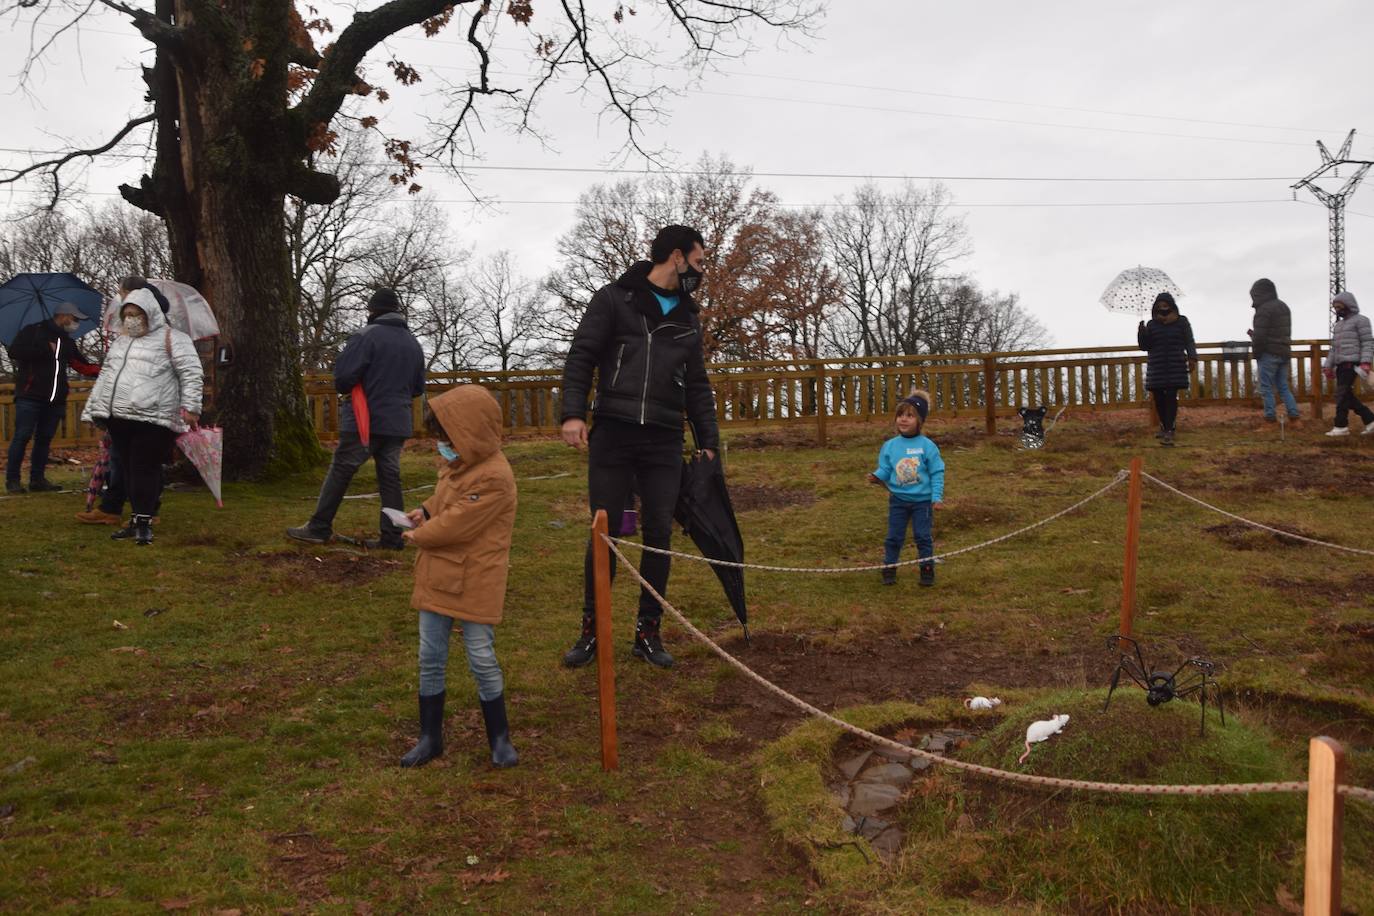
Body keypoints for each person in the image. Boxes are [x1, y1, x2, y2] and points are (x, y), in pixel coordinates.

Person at [559, 224, 720, 670]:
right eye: (699, 261)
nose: (701, 271)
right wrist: (573, 413)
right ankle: (592, 631)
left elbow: (698, 384)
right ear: (676, 257)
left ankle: (648, 634)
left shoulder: (688, 316)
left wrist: (709, 441)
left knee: (659, 537)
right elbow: (581, 356)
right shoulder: (614, 299)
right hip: (613, 432)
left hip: (663, 439)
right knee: (604, 532)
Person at [399, 385, 518, 769]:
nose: (442, 447)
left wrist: (417, 534)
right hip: (439, 574)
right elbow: (446, 503)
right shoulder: (460, 465)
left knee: (481, 657)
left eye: (448, 439)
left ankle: (499, 738)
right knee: (430, 656)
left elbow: (458, 524)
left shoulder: (495, 476)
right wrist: (423, 511)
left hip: (476, 578)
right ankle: (430, 737)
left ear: (469, 434)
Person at [286, 288, 426, 549]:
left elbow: (343, 380)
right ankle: (393, 537)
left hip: (366, 418)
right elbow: (418, 388)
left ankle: (318, 527)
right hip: (398, 422)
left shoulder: (365, 336)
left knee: (341, 470)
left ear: (372, 311)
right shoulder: (413, 343)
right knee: (390, 477)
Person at [80, 289, 203, 545]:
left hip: (154, 418)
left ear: (150, 314)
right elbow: (107, 377)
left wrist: (191, 407)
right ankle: (137, 518)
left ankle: (145, 522)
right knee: (126, 469)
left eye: (136, 314)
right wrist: (96, 411)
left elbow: (191, 372)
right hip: (119, 417)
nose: (131, 319)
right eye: (126, 315)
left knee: (143, 468)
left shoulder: (174, 338)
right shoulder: (121, 342)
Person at [76, 277, 171, 525]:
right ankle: (112, 507)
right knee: (119, 458)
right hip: (120, 407)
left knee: (144, 461)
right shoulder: (128, 328)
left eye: (122, 293)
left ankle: (148, 511)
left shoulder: (159, 330)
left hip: (145, 407)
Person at [5, 302, 100, 493]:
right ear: (63, 316)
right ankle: (12, 480)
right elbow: (13, 352)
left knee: (44, 439)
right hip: (30, 396)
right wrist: (43, 348)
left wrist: (105, 370)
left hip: (55, 400)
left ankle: (37, 480)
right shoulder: (32, 331)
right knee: (22, 437)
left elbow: (81, 366)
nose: (75, 324)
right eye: (74, 319)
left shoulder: (66, 341)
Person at [868, 391, 945, 587]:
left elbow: (937, 472)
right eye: (900, 415)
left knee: (922, 536)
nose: (903, 419)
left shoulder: (928, 446)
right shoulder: (889, 446)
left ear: (920, 420)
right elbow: (886, 468)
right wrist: (877, 476)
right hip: (898, 500)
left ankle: (927, 570)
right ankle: (889, 568)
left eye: (910, 415)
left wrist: (936, 498)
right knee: (894, 536)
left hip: (923, 502)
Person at [1137, 292, 1197, 447]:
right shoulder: (1151, 324)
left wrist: (1192, 358)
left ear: (1172, 306)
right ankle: (1164, 426)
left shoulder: (1182, 322)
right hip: (1157, 366)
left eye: (1165, 305)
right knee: (1158, 398)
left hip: (1175, 364)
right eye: (1159, 305)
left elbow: (1189, 341)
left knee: (1171, 396)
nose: (1162, 308)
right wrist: (1141, 333)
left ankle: (1170, 428)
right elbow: (1145, 346)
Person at [1247, 278, 1301, 426]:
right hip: (1284, 352)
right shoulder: (1284, 307)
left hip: (1268, 353)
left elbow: (1260, 337)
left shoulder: (1263, 310)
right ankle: (1295, 418)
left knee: (1266, 388)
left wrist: (1256, 353)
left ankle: (1270, 420)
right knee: (1283, 387)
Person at [1322, 291, 1374, 437]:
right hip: (1340, 365)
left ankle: (1341, 426)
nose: (1337, 310)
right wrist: (1328, 365)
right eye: (1335, 307)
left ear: (1349, 305)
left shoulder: (1362, 321)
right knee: (1345, 395)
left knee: (1342, 395)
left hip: (1353, 364)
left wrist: (1365, 362)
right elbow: (1334, 349)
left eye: (1340, 306)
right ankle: (1370, 420)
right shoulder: (1338, 326)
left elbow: (1368, 343)